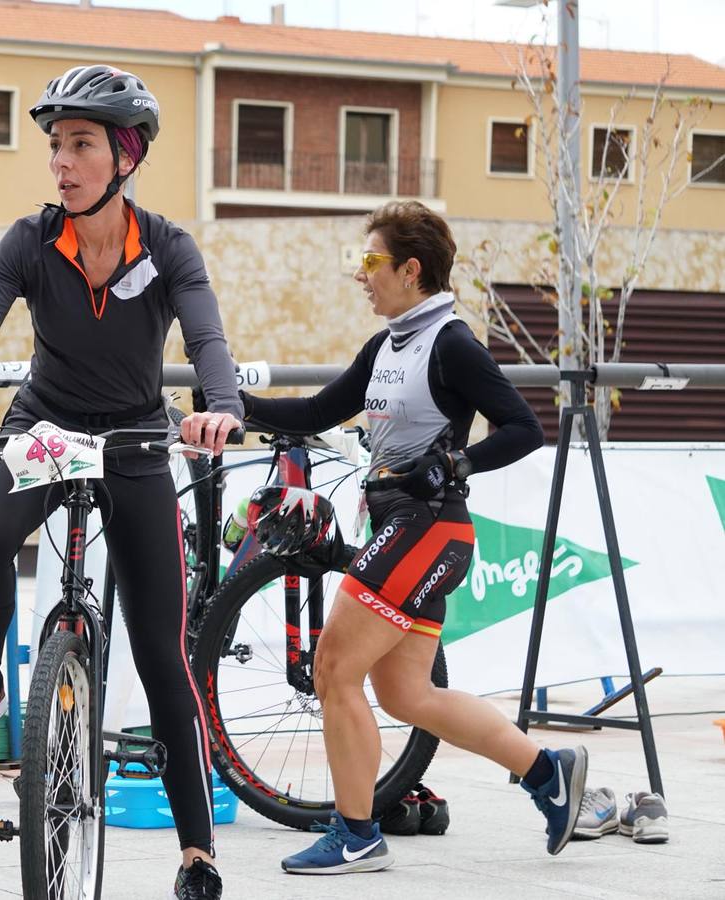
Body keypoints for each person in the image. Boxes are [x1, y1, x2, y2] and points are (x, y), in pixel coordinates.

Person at [0, 65, 241, 899]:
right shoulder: (29, 241)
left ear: (124, 156)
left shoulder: (168, 246)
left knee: (160, 651)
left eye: (81, 146)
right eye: (56, 146)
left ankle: (197, 851)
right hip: (45, 427)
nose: (61, 163)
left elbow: (206, 342)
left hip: (136, 439)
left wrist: (221, 409)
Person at [240, 201, 586, 875]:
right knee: (407, 695)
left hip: (425, 527)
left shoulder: (452, 343)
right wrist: (233, 404)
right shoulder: (387, 344)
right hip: (407, 527)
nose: (361, 276)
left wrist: (458, 462)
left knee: (334, 668)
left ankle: (358, 834)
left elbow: (522, 428)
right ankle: (548, 771)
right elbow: (315, 411)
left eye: (370, 262)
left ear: (410, 269)